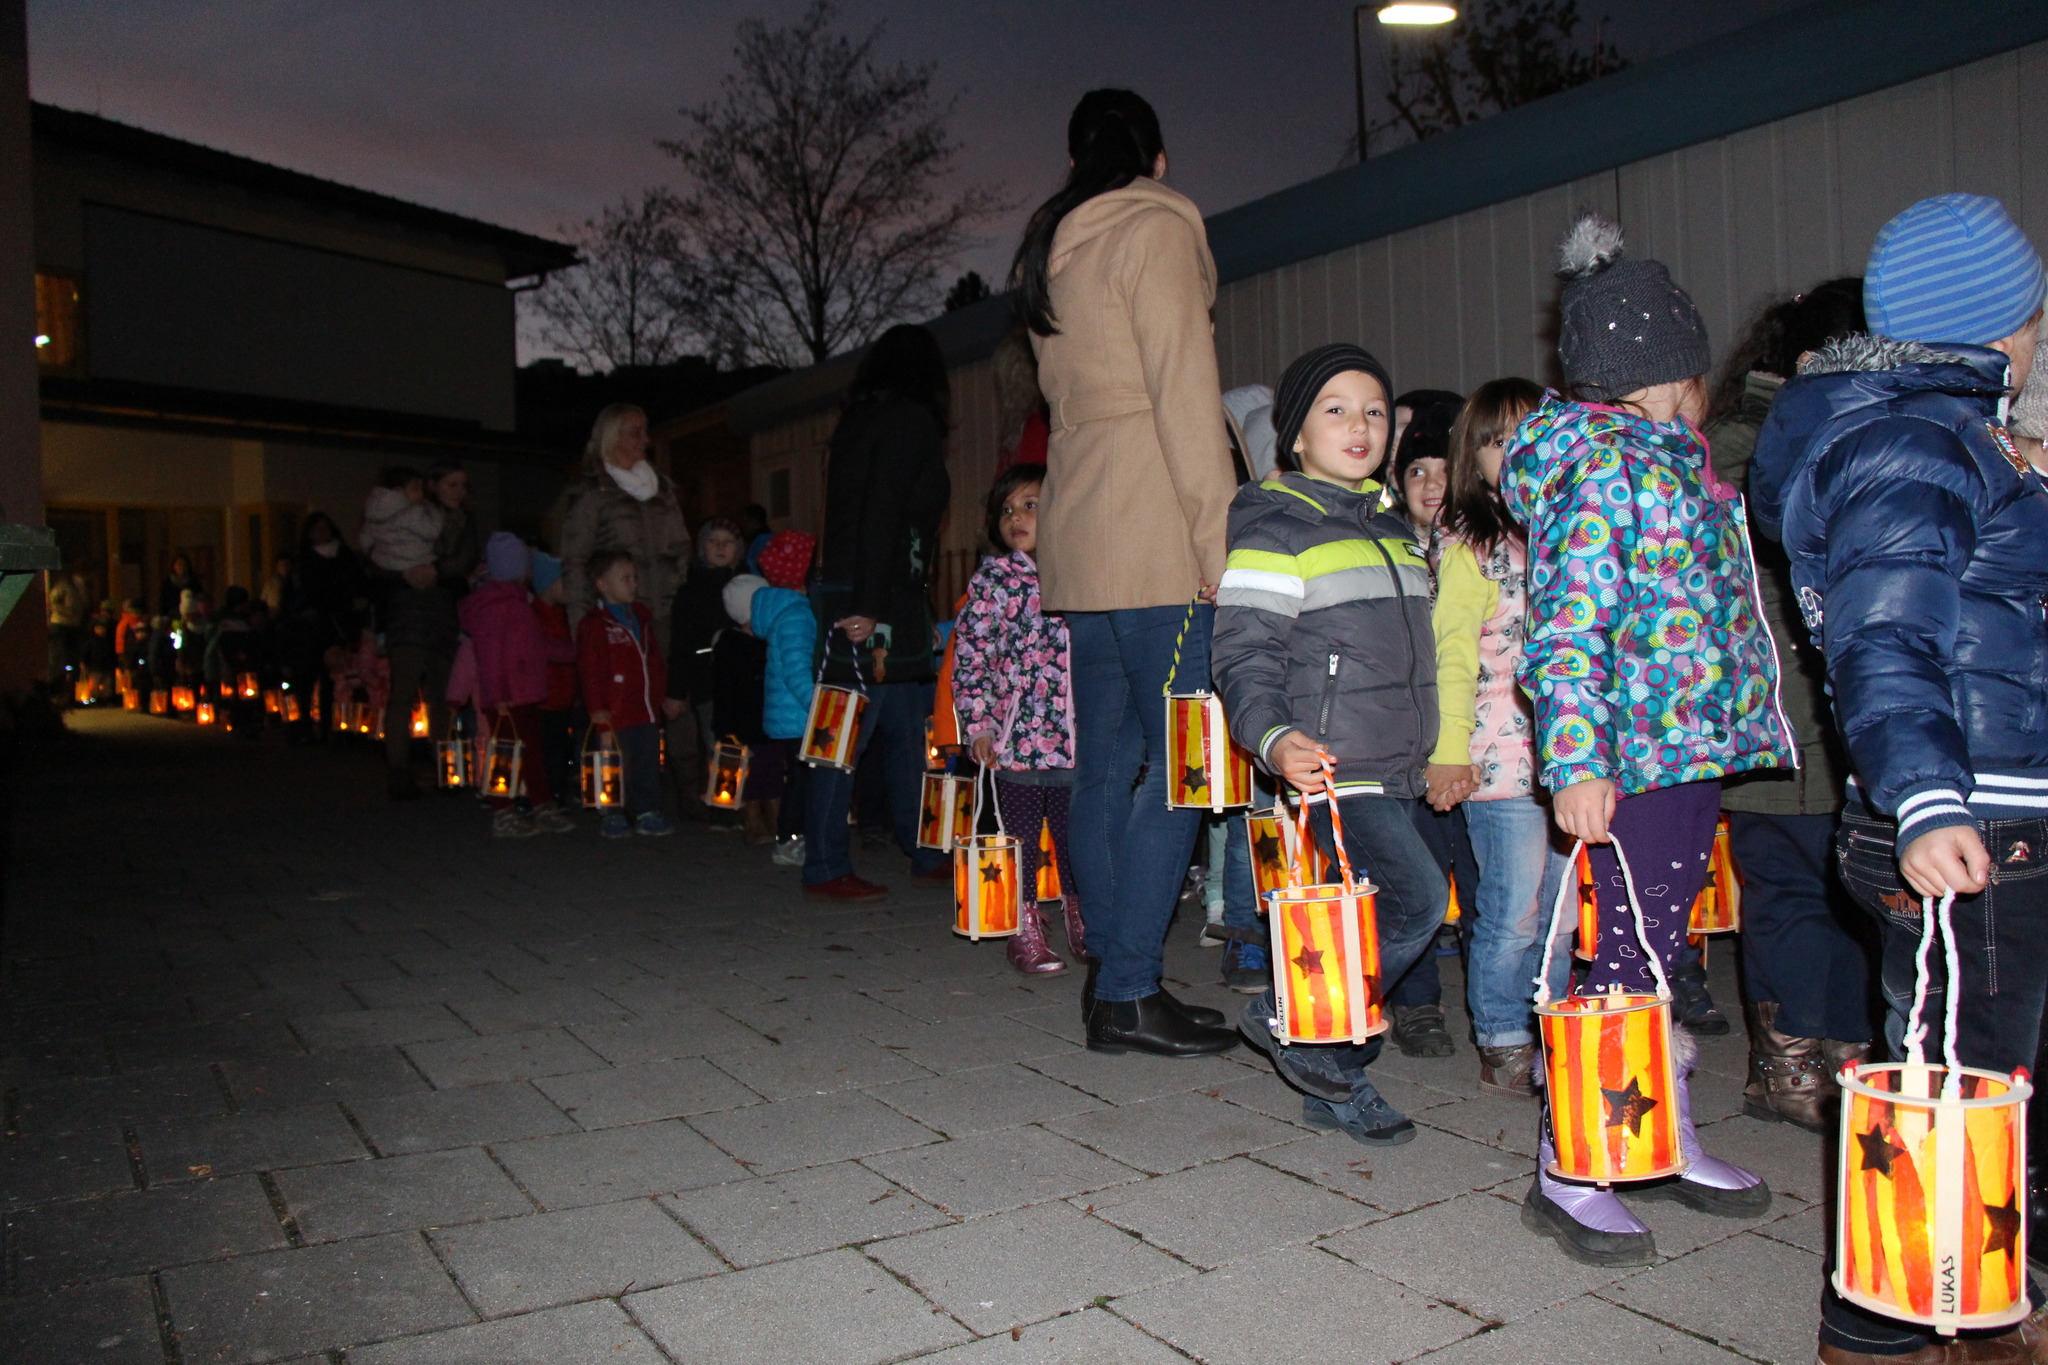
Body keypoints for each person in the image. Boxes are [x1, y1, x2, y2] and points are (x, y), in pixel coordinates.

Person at [1747, 193, 2048, 1365]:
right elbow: (1885, 636)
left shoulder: (1940, 435)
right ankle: (1876, 1323)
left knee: (1989, 1063)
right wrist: (1925, 799)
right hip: (1960, 812)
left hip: (1993, 796)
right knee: (1945, 1079)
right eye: (2028, 316)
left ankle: (1986, 1279)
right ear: (1990, 329)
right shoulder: (1912, 444)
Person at [1504, 214, 1792, 1266]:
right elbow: (1565, 628)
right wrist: (1573, 760)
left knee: (1657, 957)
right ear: (1668, 374)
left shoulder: (1670, 465)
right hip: (1627, 762)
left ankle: (1650, 1129)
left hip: (1684, 754)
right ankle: (1570, 1158)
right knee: (1622, 960)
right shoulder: (1602, 472)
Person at [1012, 88, 1239, 1056]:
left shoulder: (1051, 251)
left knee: (1104, 764)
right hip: (1156, 530)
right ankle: (1133, 986)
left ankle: (1113, 973)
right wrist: (1218, 543)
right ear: (1155, 157)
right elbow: (1184, 396)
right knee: (1184, 762)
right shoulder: (1154, 229)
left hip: (1082, 531)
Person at [1214, 343, 1446, 1144]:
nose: (1361, 425)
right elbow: (1244, 652)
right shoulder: (1277, 528)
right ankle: (1291, 1010)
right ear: (1297, 437)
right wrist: (1273, 739)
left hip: (1395, 763)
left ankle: (1334, 1084)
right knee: (1418, 898)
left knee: (1369, 918)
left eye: (1375, 410)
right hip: (1329, 766)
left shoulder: (1392, 528)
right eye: (1336, 409)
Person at [1704, 277, 1878, 1132]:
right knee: (1789, 890)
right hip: (1768, 714)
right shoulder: (1738, 446)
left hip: (1828, 717)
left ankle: (1843, 1049)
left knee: (1847, 889)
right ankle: (1788, 1061)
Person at [1426, 376, 1564, 1097]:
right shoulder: (1469, 546)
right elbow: (1452, 654)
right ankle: (1504, 1036)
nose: (1515, 453)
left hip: (1571, 760)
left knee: (1562, 915)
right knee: (1511, 908)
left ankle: (1554, 1030)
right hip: (1500, 758)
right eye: (1497, 440)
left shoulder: (1572, 530)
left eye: (1529, 434)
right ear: (1471, 456)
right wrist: (1450, 751)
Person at [804, 325, 952, 901]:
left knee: (907, 735)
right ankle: (823, 863)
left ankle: (926, 848)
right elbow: (882, 511)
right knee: (844, 735)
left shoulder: (858, 422)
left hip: (886, 597)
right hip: (872, 601)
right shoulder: (908, 422)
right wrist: (864, 606)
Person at [952, 463, 1084, 975]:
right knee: (1023, 837)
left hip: (1076, 739)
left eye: (1030, 505)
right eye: (1007, 509)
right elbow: (972, 656)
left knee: (1078, 837)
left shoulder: (1081, 570)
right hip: (1017, 740)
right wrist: (980, 725)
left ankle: (1081, 917)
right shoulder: (994, 581)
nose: (1016, 517)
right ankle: (1024, 926)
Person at [1383, 389, 1466, 1059]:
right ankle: (1417, 1002)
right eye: (1416, 471)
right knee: (1414, 878)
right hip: (1406, 745)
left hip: (1476, 743)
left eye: (1444, 469)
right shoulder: (1386, 549)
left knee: (1481, 875)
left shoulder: (1486, 544)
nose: (1431, 485)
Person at [459, 533, 576, 839]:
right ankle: (503, 811)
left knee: (530, 751)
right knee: (505, 755)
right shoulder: (498, 607)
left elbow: (534, 646)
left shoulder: (516, 603)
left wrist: (569, 653)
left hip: (523, 694)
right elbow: (491, 655)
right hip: (507, 698)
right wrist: (498, 695)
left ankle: (541, 804)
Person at [380, 461, 480, 798]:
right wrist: (405, 574)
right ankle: (398, 770)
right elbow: (382, 555)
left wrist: (437, 570)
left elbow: (464, 559)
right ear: (434, 485)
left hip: (443, 610)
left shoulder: (464, 522)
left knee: (443, 693)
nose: (459, 492)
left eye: (463, 486)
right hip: (407, 609)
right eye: (452, 484)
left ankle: (444, 769)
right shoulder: (409, 514)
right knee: (404, 692)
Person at [560, 405, 690, 653]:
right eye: (636, 433)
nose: (646, 439)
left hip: (663, 617)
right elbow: (575, 562)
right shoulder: (593, 492)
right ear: (613, 437)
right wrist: (582, 626)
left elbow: (681, 549)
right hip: (615, 615)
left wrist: (679, 598)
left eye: (645, 432)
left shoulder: (662, 490)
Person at [576, 550, 678, 838]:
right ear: (603, 584)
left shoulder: (642, 619)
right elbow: (590, 670)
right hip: (614, 712)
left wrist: (662, 696)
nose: (633, 584)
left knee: (646, 761)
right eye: (625, 579)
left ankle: (648, 810)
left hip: (644, 709)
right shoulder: (595, 625)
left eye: (634, 578)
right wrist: (597, 710)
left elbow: (655, 662)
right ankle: (613, 812)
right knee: (614, 763)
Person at [669, 517, 745, 826]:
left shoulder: (746, 584)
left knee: (741, 743)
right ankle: (723, 805)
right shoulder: (691, 591)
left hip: (742, 681)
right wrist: (675, 691)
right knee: (717, 743)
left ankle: (745, 802)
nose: (721, 548)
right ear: (701, 548)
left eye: (728, 542)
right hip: (708, 680)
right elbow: (682, 644)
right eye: (714, 542)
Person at [753, 530, 818, 866]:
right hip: (799, 715)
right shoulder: (796, 615)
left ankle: (793, 835)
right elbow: (797, 669)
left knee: (800, 776)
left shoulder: (782, 609)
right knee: (803, 779)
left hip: (789, 714)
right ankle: (790, 839)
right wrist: (817, 707)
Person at [287, 513, 367, 744]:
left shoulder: (344, 556)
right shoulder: (303, 561)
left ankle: (327, 726)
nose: (322, 533)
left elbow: (357, 584)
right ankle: (304, 725)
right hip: (310, 628)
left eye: (325, 528)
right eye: (317, 529)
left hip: (337, 625)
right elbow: (308, 593)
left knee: (331, 678)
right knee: (306, 677)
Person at [529, 551, 580, 808]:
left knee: (561, 746)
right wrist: (575, 652)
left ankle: (559, 789)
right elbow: (544, 648)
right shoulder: (535, 616)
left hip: (564, 694)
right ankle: (547, 793)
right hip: (545, 696)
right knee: (546, 748)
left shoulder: (563, 613)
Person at [360, 467, 443, 575]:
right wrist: (433, 510)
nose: (421, 493)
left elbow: (365, 538)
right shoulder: (411, 511)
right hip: (413, 562)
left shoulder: (372, 511)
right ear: (398, 491)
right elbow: (432, 531)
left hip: (383, 563)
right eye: (416, 488)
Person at [157, 554, 204, 619]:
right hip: (172, 615)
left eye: (184, 565)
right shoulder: (168, 582)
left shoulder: (193, 581)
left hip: (191, 615)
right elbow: (163, 601)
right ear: (174, 566)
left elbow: (200, 597)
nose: (182, 567)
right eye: (179, 564)